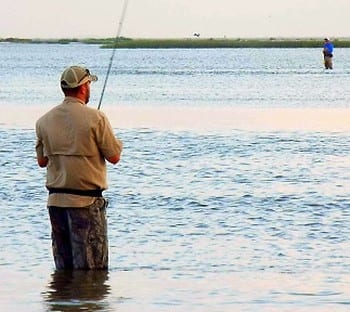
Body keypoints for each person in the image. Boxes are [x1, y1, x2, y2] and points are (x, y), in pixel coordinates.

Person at [35, 65, 123, 270]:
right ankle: (86, 302)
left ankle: (62, 301)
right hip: (87, 203)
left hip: (55, 203)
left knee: (64, 268)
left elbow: (41, 162)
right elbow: (114, 156)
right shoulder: (97, 118)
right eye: (89, 83)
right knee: (92, 270)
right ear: (83, 87)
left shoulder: (43, 121)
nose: (90, 87)